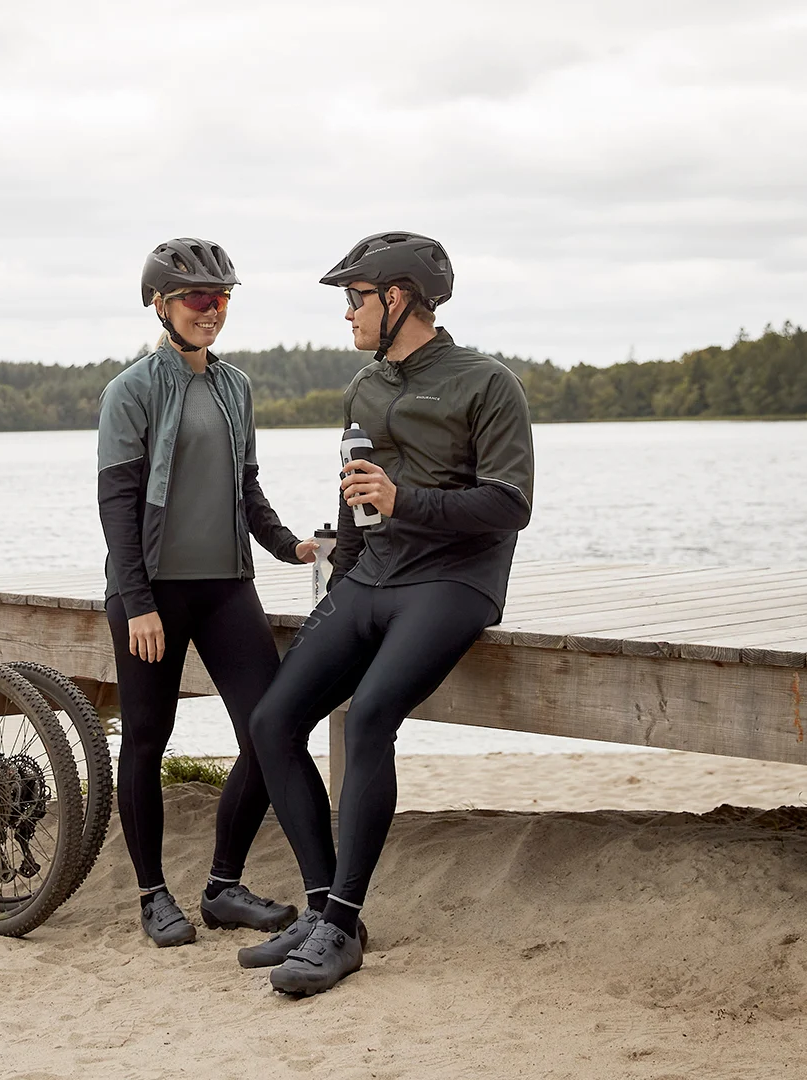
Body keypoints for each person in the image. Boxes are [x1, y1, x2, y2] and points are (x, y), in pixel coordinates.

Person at [243, 232, 535, 995]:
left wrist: (408, 501)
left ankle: (342, 924)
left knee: (370, 714)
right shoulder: (364, 385)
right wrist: (339, 556)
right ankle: (322, 909)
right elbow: (355, 489)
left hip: (454, 580)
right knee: (273, 721)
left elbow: (510, 505)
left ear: (396, 298)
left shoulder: (487, 383)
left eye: (355, 298)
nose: (347, 314)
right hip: (372, 575)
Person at [97, 237, 322, 947]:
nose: (212, 310)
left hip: (227, 586)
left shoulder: (236, 387)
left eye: (223, 298)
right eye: (198, 298)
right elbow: (118, 507)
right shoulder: (130, 390)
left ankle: (223, 886)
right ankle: (151, 895)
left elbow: (246, 490)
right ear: (160, 304)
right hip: (153, 593)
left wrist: (291, 546)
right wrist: (137, 603)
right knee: (146, 738)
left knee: (271, 729)